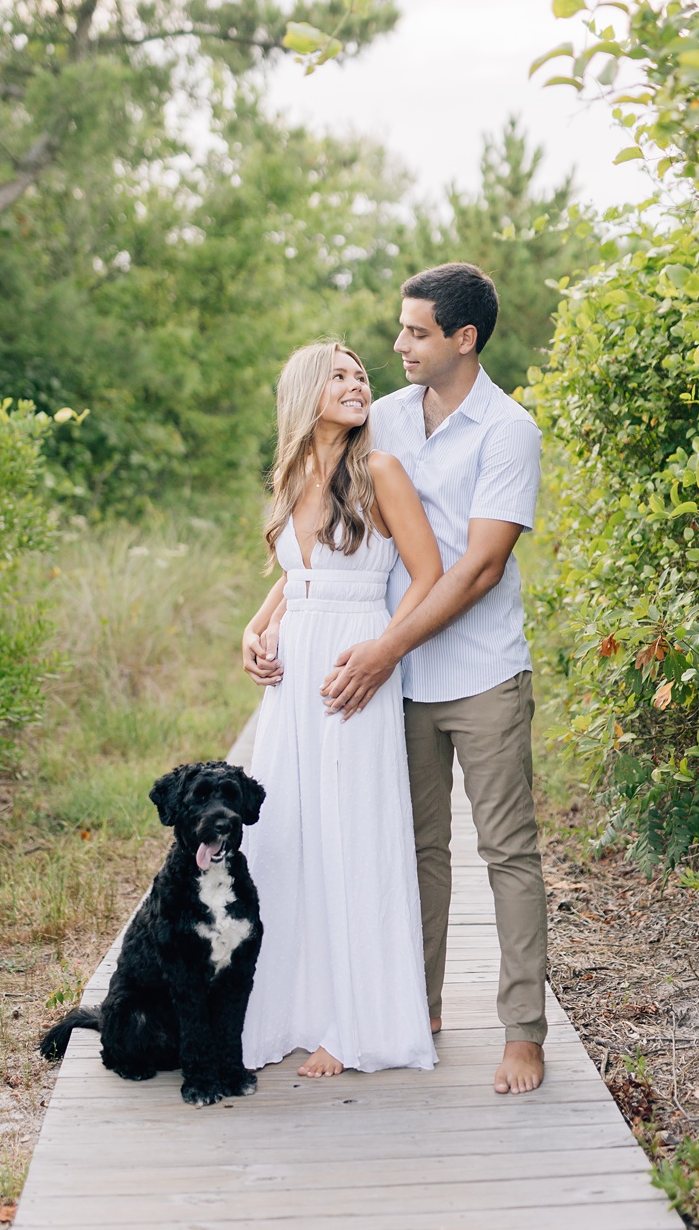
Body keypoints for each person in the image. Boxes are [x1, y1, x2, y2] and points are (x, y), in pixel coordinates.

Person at [317, 263, 549, 1097]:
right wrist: (270, 613)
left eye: (415, 332)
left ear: (464, 339)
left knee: (507, 853)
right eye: (400, 329)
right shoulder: (377, 421)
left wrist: (383, 646)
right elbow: (321, 515)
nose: (398, 345)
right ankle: (416, 1005)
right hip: (397, 680)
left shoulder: (507, 431)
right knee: (412, 851)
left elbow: (479, 567)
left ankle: (523, 1032)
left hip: (482, 671)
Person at [240, 340, 442, 1079]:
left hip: (354, 662)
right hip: (292, 678)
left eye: (362, 376)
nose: (359, 384)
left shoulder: (379, 472)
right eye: (341, 375)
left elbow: (428, 575)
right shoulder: (294, 476)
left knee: (348, 832)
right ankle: (291, 1008)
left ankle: (350, 1023)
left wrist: (381, 651)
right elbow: (297, 576)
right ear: (305, 392)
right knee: (290, 834)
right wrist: (254, 629)